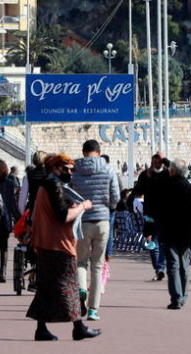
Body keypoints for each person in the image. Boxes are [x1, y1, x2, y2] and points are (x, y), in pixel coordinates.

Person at [26, 153, 101, 341]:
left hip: (44, 242)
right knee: (70, 286)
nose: (70, 172)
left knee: (46, 288)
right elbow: (64, 216)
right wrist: (83, 206)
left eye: (71, 169)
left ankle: (42, 329)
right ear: (55, 168)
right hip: (59, 244)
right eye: (66, 169)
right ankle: (78, 327)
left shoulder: (46, 184)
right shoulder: (55, 185)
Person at [70, 140, 119, 321]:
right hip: (102, 221)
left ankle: (81, 289)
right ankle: (93, 310)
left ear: (83, 152)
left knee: (81, 261)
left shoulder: (75, 170)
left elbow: (70, 193)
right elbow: (116, 196)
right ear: (99, 152)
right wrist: (107, 207)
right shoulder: (108, 169)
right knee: (97, 266)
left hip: (82, 221)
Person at [155, 160, 191, 310]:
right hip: (186, 233)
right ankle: (183, 296)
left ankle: (176, 298)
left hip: (169, 232)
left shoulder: (164, 189)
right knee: (184, 265)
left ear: (173, 171)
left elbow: (159, 212)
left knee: (173, 265)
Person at [134, 153, 169, 281]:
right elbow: (138, 191)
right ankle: (159, 268)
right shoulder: (163, 174)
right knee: (155, 241)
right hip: (155, 214)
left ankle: (159, 268)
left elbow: (137, 191)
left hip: (157, 213)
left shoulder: (164, 174)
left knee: (156, 241)